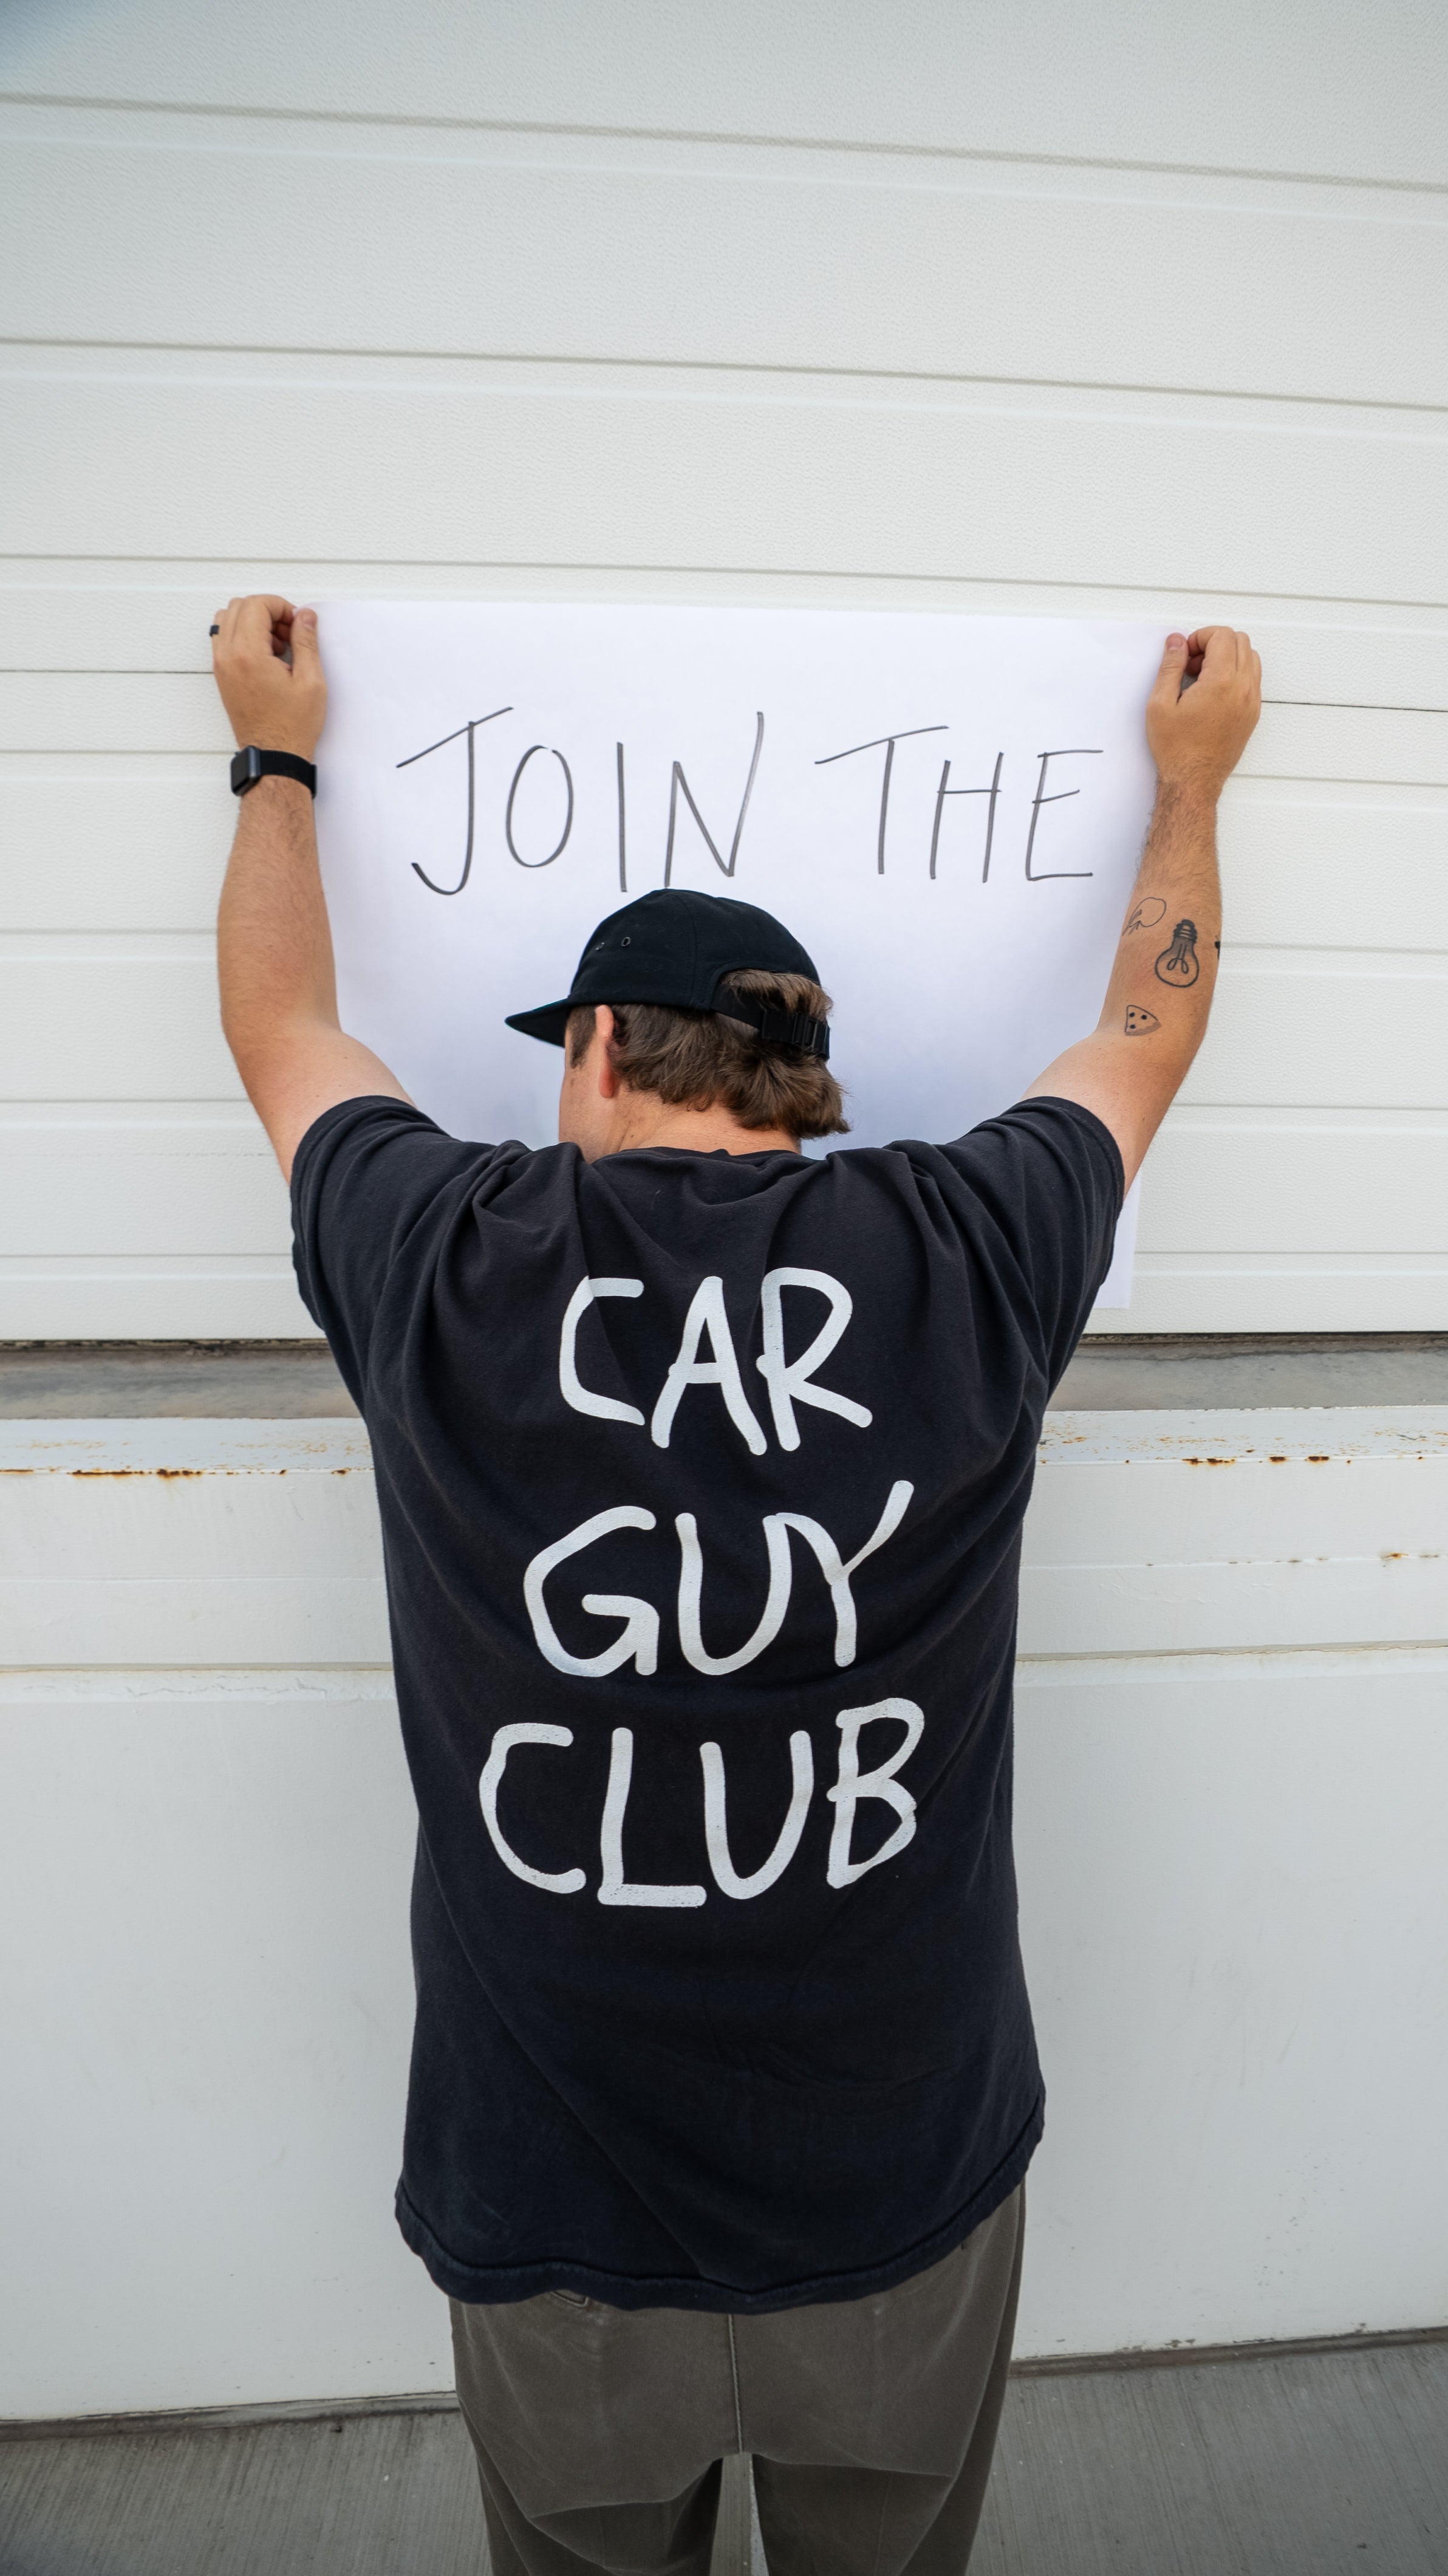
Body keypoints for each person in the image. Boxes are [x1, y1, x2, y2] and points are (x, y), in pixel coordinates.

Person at [210, 597, 1260, 2575]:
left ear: (605, 1046)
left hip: (556, 2222)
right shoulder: (970, 1242)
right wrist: (1191, 787)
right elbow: (1149, 1025)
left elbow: (284, 1028)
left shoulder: (447, 1255)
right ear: (805, 1077)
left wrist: (278, 763)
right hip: (897, 2204)